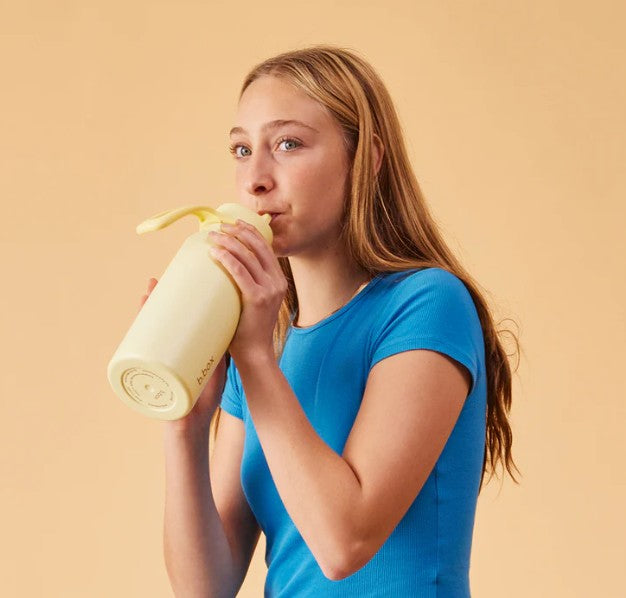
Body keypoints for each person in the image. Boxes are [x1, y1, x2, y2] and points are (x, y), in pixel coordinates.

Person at [152, 44, 521, 597]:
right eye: (240, 149)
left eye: (288, 144)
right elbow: (206, 588)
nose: (255, 178)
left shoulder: (426, 304)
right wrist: (183, 426)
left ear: (366, 157)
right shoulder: (266, 344)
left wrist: (252, 360)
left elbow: (344, 542)